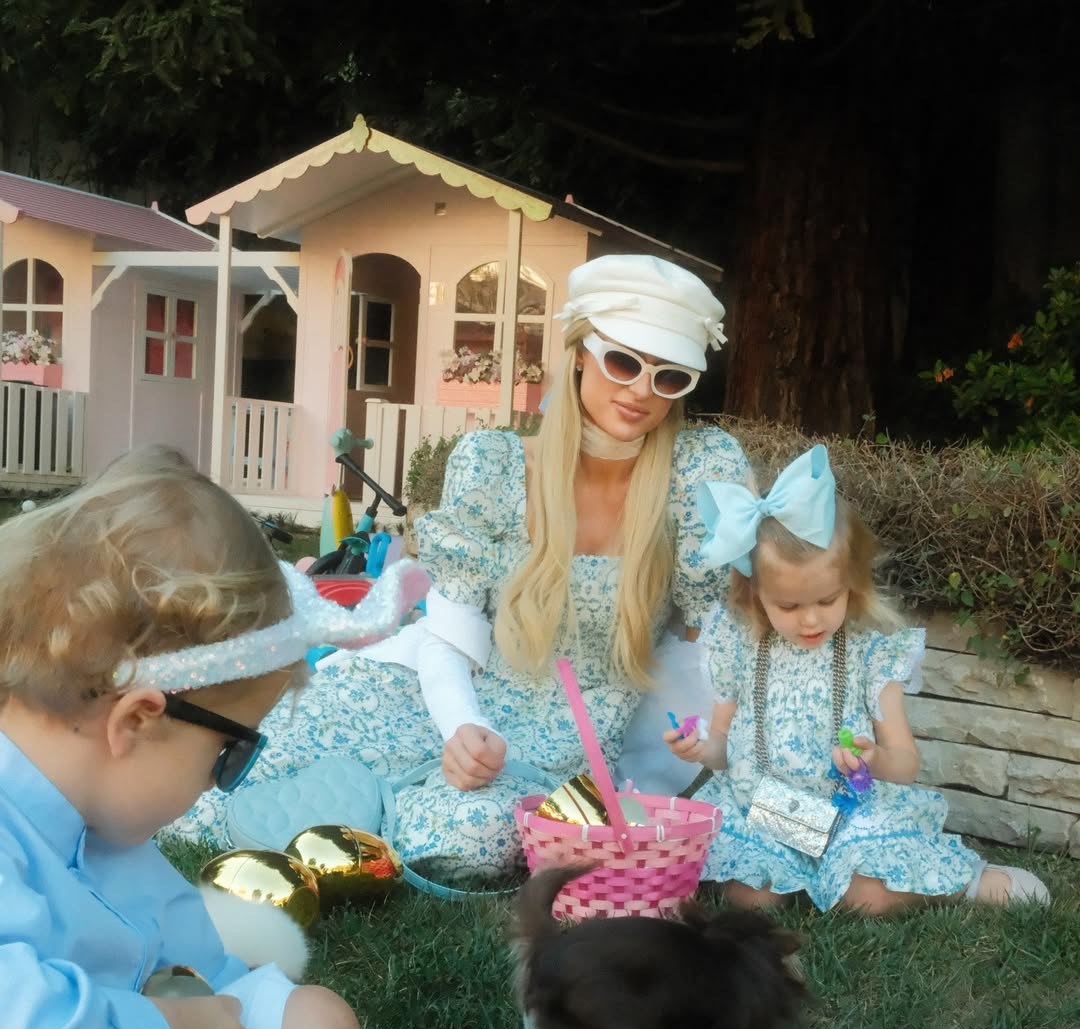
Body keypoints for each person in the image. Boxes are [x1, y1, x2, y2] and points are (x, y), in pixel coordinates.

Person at [0, 447, 496, 1029]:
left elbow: (211, 975)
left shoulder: (105, 832)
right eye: (231, 755)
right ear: (138, 719)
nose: (224, 782)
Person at [171, 254, 752, 880]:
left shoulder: (694, 478)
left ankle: (373, 819)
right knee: (217, 787)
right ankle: (345, 807)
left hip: (560, 744)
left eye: (669, 377)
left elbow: (714, 640)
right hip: (437, 693)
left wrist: (700, 749)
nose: (641, 390)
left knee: (467, 841)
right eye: (624, 362)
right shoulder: (496, 466)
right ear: (582, 353)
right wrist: (462, 725)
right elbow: (448, 636)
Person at [665, 444, 1051, 915]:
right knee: (753, 897)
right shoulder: (739, 645)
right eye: (788, 605)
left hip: (850, 815)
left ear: (852, 583)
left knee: (867, 897)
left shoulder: (872, 653)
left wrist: (875, 759)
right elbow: (724, 749)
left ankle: (968, 883)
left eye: (828, 599)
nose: (811, 619)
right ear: (755, 594)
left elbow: (905, 762)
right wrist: (700, 748)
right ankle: (798, 876)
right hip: (762, 809)